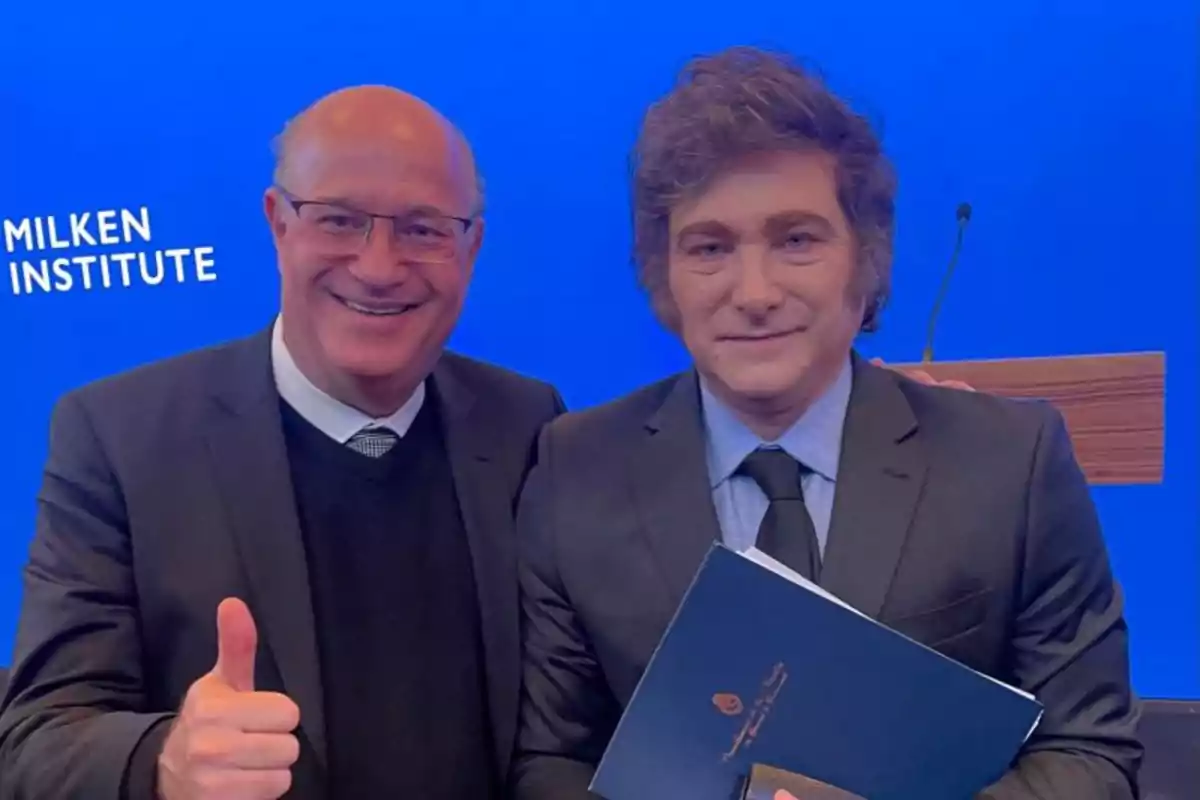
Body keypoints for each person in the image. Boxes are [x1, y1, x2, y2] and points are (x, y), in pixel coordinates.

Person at [512, 46, 1141, 800]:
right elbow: (549, 762)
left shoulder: (1013, 464)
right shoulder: (573, 469)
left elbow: (1092, 755)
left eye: (796, 240)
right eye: (710, 247)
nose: (754, 291)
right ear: (665, 276)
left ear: (866, 259)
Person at [0, 85, 564, 799]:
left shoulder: (531, 423)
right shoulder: (118, 437)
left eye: (423, 229)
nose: (379, 266)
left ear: (471, 247)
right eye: (340, 220)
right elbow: (36, 743)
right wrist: (165, 761)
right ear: (279, 223)